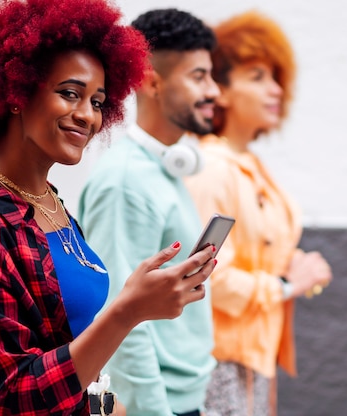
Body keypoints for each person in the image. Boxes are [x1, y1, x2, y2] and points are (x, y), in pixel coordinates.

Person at [0, 1, 217, 415]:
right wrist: (127, 312)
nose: (87, 115)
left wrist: (107, 402)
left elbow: (67, 344)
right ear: (17, 91)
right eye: (70, 93)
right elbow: (15, 398)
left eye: (98, 102)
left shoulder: (51, 205)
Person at [184, 11, 334, 416]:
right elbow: (208, 276)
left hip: (250, 359)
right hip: (219, 363)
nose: (275, 90)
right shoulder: (214, 167)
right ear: (222, 90)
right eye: (257, 76)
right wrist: (286, 283)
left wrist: (289, 264)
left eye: (275, 77)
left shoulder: (246, 164)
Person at [77, 8, 220, 416]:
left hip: (183, 400)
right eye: (198, 76)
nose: (214, 91)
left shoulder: (162, 170)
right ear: (152, 82)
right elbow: (119, 314)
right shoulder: (125, 181)